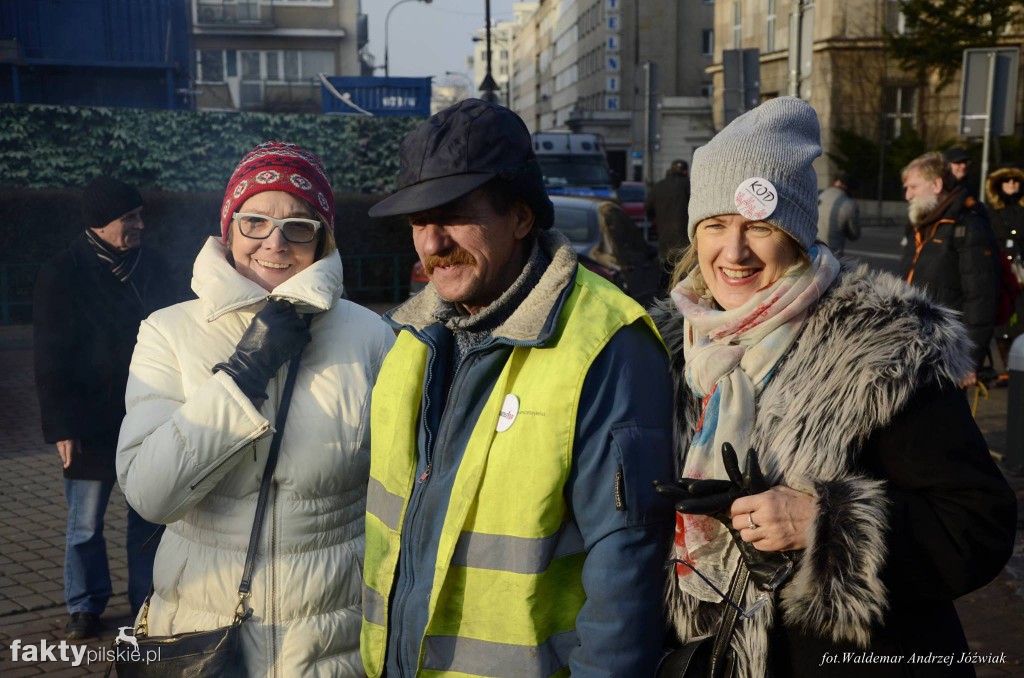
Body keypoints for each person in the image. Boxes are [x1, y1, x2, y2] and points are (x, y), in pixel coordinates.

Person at [653, 96, 1016, 678]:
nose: (734, 251)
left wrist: (821, 522)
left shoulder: (879, 348)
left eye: (759, 227)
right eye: (716, 225)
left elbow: (977, 524)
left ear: (795, 234)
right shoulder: (673, 350)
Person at [360, 99, 675, 677]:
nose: (431, 244)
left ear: (523, 217)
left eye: (453, 215)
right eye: (417, 222)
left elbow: (627, 564)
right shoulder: (411, 337)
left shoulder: (607, 343)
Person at [116, 142, 395, 675]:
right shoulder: (168, 332)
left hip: (332, 641)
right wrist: (242, 377)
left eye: (298, 227)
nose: (275, 242)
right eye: (255, 222)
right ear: (229, 228)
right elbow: (151, 495)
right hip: (202, 630)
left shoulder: (370, 336)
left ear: (322, 238)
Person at [33, 177, 177, 639]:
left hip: (148, 415)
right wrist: (61, 427)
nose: (140, 224)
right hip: (89, 423)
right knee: (85, 523)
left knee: (148, 519)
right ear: (100, 223)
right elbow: (49, 356)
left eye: (139, 214)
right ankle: (84, 605)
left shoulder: (154, 267)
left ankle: (145, 603)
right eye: (129, 218)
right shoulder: (62, 272)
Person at [899, 151, 999, 386]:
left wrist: (969, 360)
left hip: (947, 353)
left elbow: (981, 297)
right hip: (915, 346)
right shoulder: (921, 224)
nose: (907, 195)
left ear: (936, 185)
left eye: (913, 187)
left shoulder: (967, 224)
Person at [986, 164, 1024, 364]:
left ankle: (1018, 365)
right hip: (1001, 272)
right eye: (1007, 181)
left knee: (1021, 320)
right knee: (1003, 321)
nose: (1012, 184)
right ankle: (1008, 366)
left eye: (1016, 181)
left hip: (1021, 273)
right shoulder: (991, 211)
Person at [646, 159, 692, 270]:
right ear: (685, 171)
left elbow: (648, 208)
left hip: (664, 238)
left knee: (666, 271)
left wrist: (653, 219)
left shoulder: (658, 186)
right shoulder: (689, 185)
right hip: (685, 238)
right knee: (684, 271)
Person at [815, 174, 861, 255]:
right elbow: (854, 234)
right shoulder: (850, 205)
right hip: (832, 256)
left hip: (811, 252)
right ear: (852, 190)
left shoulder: (818, 195)